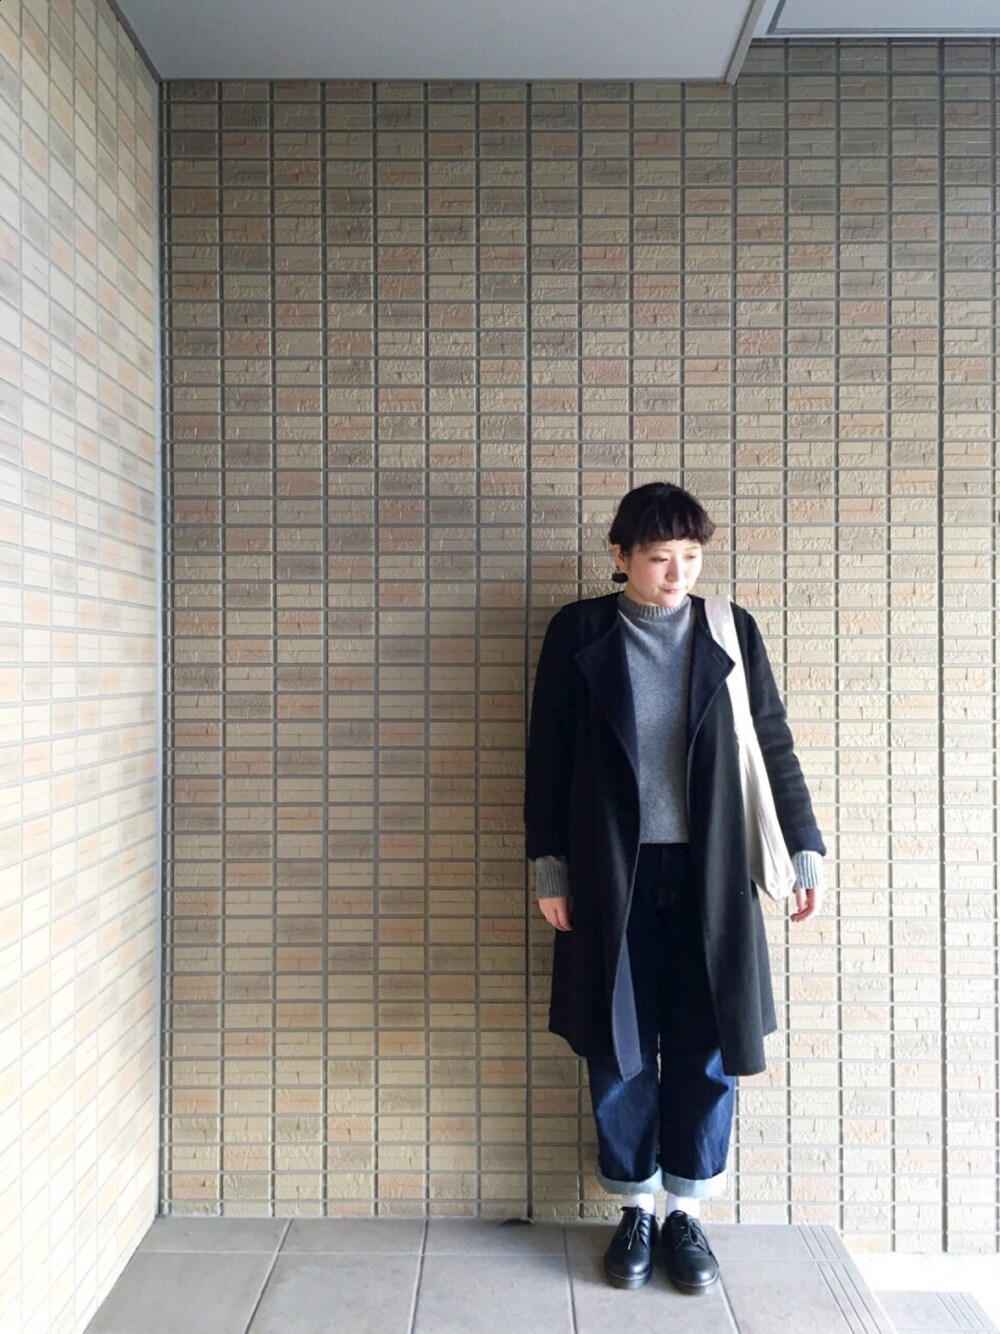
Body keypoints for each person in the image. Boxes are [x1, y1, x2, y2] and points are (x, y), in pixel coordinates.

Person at [523, 481, 826, 1294]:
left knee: (706, 1040)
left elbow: (771, 741)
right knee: (618, 1041)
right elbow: (547, 754)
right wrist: (550, 864)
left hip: (711, 871)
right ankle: (635, 1207)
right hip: (610, 871)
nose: (677, 574)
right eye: (660, 558)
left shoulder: (729, 628)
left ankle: (686, 1211)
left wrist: (804, 846)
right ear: (621, 556)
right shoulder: (580, 631)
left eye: (690, 557)